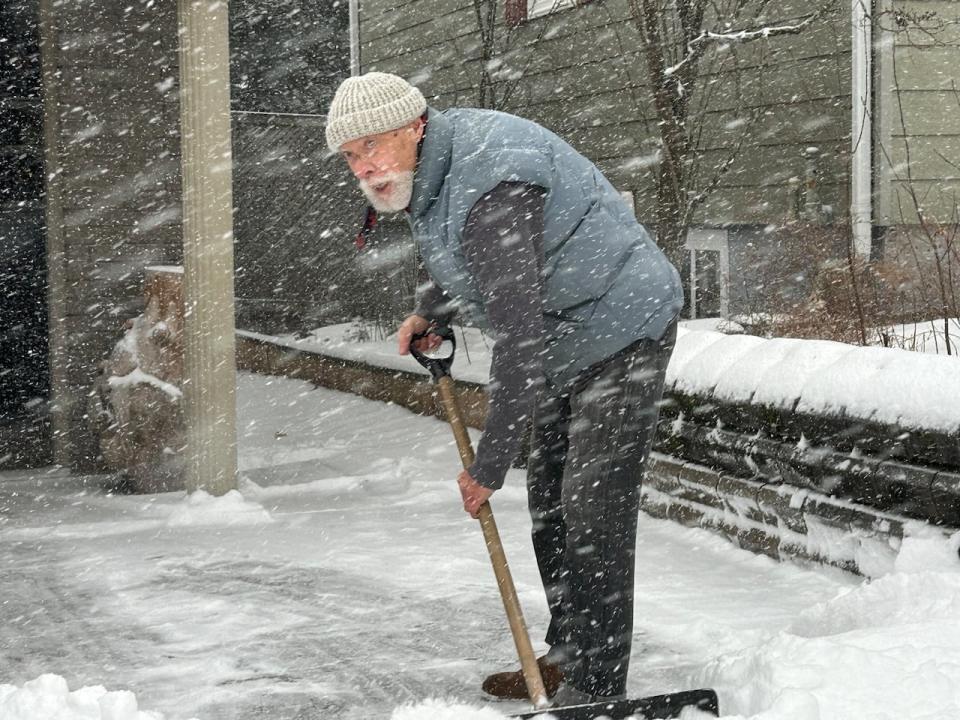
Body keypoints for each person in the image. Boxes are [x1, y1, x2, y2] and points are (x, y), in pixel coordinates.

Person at [325, 72, 683, 705]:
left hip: (622, 324)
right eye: (352, 157)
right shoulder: (432, 169)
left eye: (373, 146)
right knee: (551, 499)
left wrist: (489, 464)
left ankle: (599, 694)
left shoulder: (491, 178)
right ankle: (567, 659)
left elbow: (517, 337)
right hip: (562, 330)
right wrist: (432, 311)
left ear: (414, 126)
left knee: (591, 506)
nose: (365, 167)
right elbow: (453, 248)